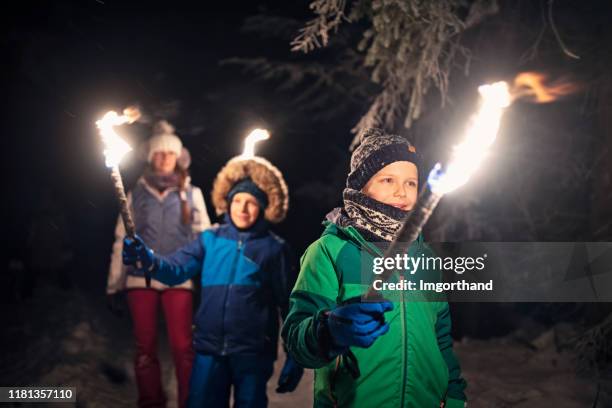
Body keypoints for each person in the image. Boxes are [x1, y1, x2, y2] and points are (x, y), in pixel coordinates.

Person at [281, 128, 468, 407]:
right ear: (361, 185)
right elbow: (296, 336)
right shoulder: (331, 252)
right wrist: (328, 331)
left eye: (412, 183)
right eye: (388, 179)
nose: (401, 191)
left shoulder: (426, 258)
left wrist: (453, 396)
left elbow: (440, 338)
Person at [122, 154, 303, 408]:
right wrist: (148, 259)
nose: (242, 208)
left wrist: (296, 352)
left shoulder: (274, 249)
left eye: (251, 202)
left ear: (263, 207)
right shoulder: (211, 239)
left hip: (252, 352)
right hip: (209, 349)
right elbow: (175, 269)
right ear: (227, 202)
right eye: (237, 200)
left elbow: (289, 303)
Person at [107, 120, 211, 408]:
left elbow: (205, 240)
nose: (164, 158)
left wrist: (208, 276)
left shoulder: (192, 193)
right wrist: (115, 284)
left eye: (170, 154)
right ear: (151, 157)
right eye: (159, 153)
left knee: (182, 346)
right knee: (145, 348)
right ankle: (150, 401)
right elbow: (121, 240)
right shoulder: (136, 194)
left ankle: (191, 401)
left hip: (180, 277)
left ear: (178, 158)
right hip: (140, 278)